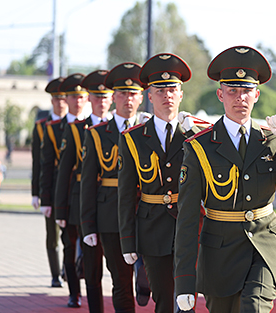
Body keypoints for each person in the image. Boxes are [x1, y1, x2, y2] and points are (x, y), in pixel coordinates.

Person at [174, 46, 276, 313]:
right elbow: (188, 219)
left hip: (263, 247)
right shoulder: (199, 147)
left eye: (247, 91)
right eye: (233, 91)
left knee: (253, 308)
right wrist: (183, 283)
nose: (240, 98)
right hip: (220, 256)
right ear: (220, 94)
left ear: (257, 95)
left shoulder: (271, 140)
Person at [117, 53, 201, 313]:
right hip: (152, 228)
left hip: (189, 227)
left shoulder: (195, 136)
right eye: (159, 90)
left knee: (187, 299)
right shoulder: (133, 139)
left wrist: (194, 134)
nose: (167, 95)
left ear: (181, 95)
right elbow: (126, 194)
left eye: (172, 89)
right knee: (164, 298)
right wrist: (128, 241)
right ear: (149, 96)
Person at [81, 62, 150, 313]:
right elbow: (88, 183)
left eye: (133, 94)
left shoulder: (148, 132)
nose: (128, 99)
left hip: (146, 213)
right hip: (110, 216)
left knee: (151, 272)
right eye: (122, 93)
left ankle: (145, 279)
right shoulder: (98, 134)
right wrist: (88, 225)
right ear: (114, 97)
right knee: (120, 281)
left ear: (141, 98)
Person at [55, 70, 112, 312]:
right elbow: (63, 171)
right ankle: (86, 301)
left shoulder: (123, 128)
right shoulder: (78, 129)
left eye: (105, 97)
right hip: (83, 201)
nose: (100, 102)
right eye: (96, 97)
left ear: (111, 99)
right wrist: (59, 207)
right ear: (90, 99)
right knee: (89, 262)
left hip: (113, 202)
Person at [40, 73, 89, 308]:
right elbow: (47, 167)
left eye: (81, 96)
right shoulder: (52, 128)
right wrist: (46, 199)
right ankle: (73, 292)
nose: (77, 101)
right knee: (69, 245)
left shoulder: (96, 125)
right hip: (66, 195)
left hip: (90, 195)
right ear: (66, 99)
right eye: (73, 96)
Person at [31, 76, 68, 288]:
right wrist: (36, 193)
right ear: (52, 101)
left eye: (64, 98)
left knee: (70, 233)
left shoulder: (76, 124)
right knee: (51, 234)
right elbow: (38, 161)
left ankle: (67, 268)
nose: (61, 103)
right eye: (57, 99)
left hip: (70, 186)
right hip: (50, 186)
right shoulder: (41, 126)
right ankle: (55, 274)